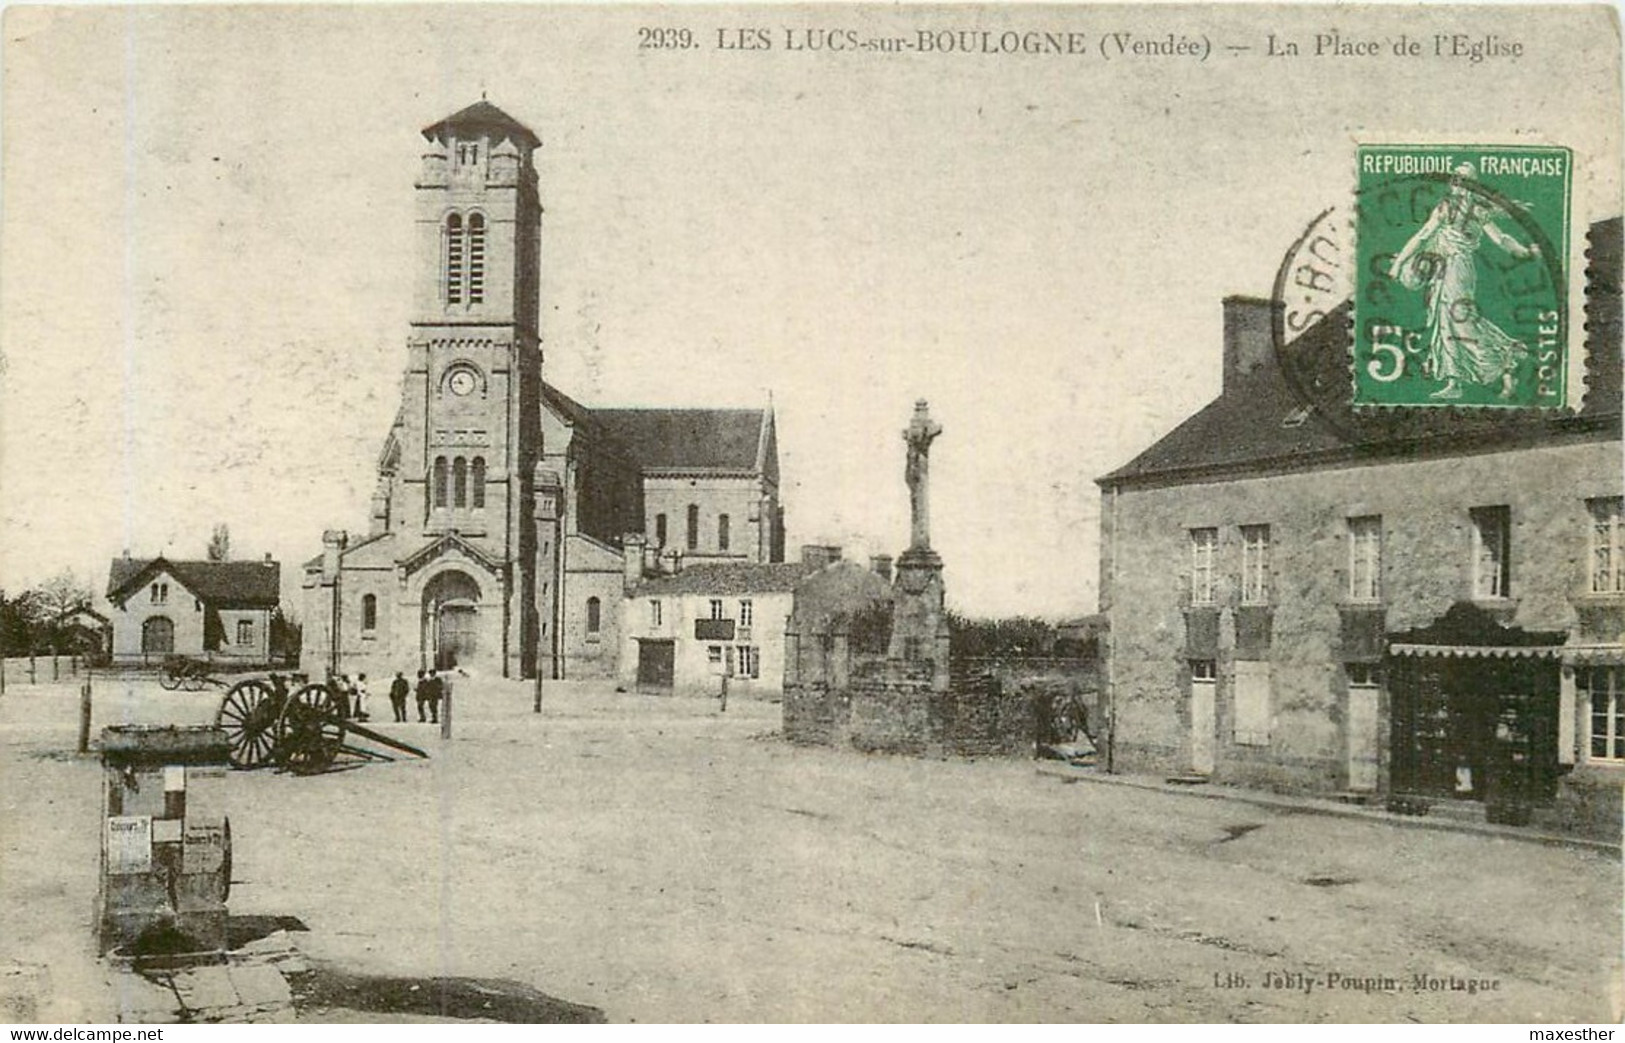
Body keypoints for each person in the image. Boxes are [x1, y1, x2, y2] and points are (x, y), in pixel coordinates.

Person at [1387, 163, 1539, 400]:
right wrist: (1399, 264)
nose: (1460, 184)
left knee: (1460, 322)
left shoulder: (1473, 210)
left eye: (1465, 180)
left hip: (1457, 268)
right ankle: (1456, 380)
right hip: (1444, 268)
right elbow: (1423, 236)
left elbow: (1500, 238)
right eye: (1457, 179)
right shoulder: (1451, 208)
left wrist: (1524, 252)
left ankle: (1507, 359)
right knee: (1446, 321)